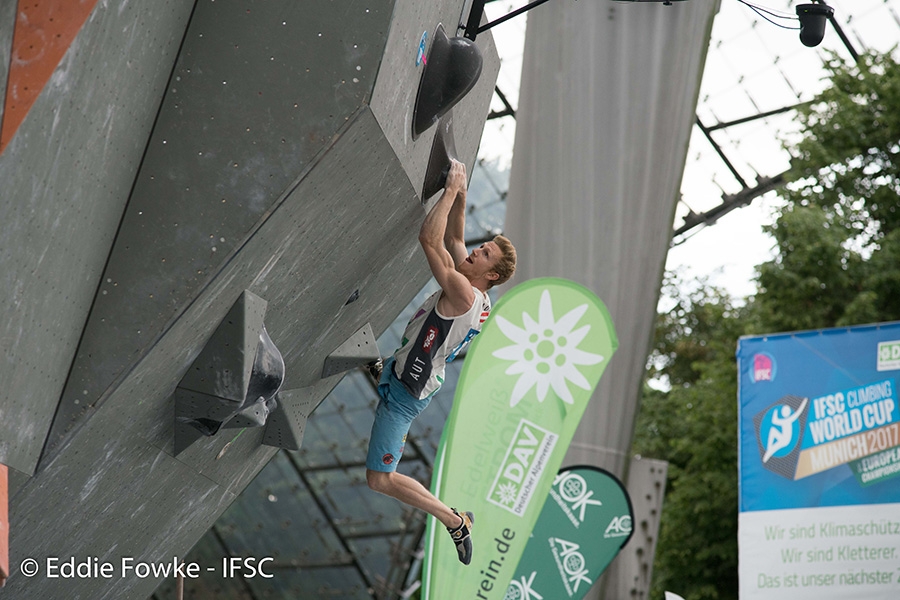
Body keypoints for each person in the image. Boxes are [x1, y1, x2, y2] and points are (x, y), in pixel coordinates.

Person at [365, 159, 516, 565]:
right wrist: (462, 195)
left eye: (483, 254)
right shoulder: (476, 293)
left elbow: (430, 241)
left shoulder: (464, 293)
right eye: (481, 247)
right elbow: (455, 237)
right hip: (409, 376)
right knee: (401, 361)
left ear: (492, 275)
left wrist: (449, 192)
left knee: (379, 479)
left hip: (405, 395)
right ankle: (383, 370)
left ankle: (454, 520)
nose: (475, 251)